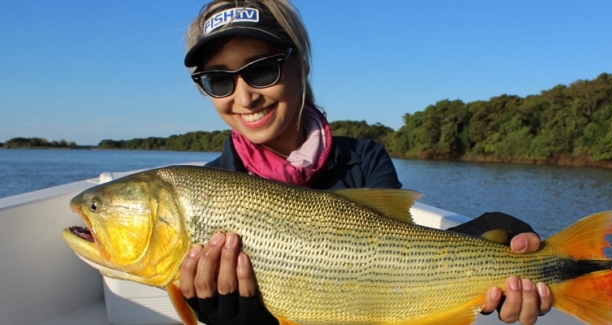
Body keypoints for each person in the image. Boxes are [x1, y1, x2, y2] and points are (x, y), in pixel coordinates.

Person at [178, 1, 551, 324]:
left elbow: (400, 258)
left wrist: (484, 235)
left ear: (301, 67)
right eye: (218, 80)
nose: (244, 96)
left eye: (261, 70)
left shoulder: (364, 158)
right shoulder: (204, 189)